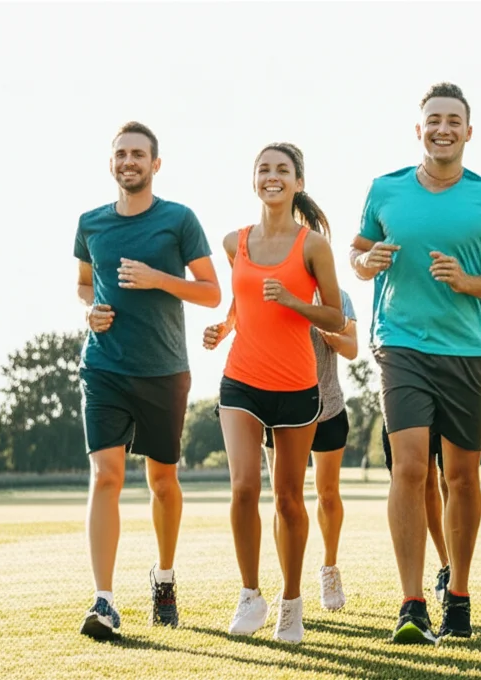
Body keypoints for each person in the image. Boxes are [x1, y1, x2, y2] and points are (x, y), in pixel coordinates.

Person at [350, 82, 481, 644]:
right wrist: (365, 260)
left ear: (468, 131)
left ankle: (459, 594)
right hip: (400, 344)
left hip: (467, 351)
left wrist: (467, 281)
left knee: (461, 476)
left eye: (453, 120)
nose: (442, 128)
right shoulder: (385, 189)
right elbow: (356, 253)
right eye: (433, 120)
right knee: (408, 469)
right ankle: (411, 602)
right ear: (418, 129)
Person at [75, 121, 221, 640]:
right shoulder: (90, 223)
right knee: (106, 476)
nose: (128, 161)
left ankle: (163, 577)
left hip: (163, 370)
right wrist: (91, 313)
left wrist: (159, 278)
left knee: (162, 481)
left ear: (155, 164)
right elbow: (83, 285)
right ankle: (104, 600)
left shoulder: (179, 220)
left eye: (138, 154)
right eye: (121, 154)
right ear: (111, 163)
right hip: (104, 367)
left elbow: (211, 292)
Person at [203, 143, 345, 644]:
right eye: (264, 169)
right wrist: (224, 328)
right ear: (253, 180)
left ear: (298, 183)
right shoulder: (232, 241)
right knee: (243, 487)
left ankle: (291, 602)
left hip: (297, 386)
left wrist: (291, 300)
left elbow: (336, 317)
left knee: (288, 499)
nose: (272, 176)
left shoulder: (313, 247)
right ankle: (250, 594)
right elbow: (243, 303)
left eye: (282, 170)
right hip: (241, 379)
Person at [261, 286, 358, 613]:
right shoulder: (273, 293)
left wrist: (329, 333)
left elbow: (352, 349)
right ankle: (289, 584)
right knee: (283, 499)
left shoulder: (336, 296)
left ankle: (329, 570)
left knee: (328, 493)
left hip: (327, 407)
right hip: (280, 410)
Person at [381, 426, 451, 604]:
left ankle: (452, 569)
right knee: (419, 478)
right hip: (405, 403)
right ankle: (445, 567)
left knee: (450, 477)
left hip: (451, 401)